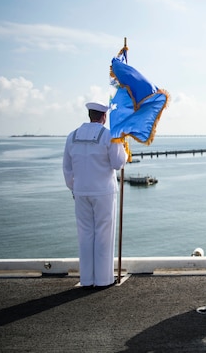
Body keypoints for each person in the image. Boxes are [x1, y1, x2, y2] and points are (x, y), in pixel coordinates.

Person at [63, 101, 127, 288]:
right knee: (103, 234)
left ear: (89, 115)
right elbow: (117, 163)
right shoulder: (109, 136)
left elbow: (67, 168)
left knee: (85, 234)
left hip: (81, 192)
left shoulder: (72, 136)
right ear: (104, 117)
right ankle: (102, 279)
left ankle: (87, 279)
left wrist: (74, 188)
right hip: (103, 192)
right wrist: (122, 143)